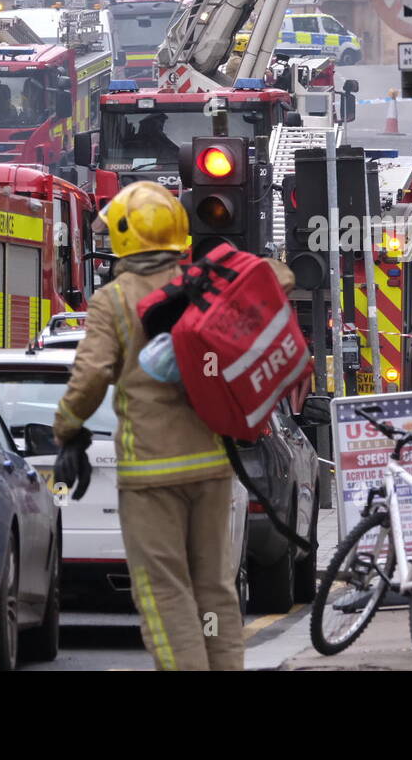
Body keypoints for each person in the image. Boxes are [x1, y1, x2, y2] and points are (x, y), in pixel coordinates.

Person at [52, 182, 293, 670]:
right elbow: (279, 276)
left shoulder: (114, 299)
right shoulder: (204, 282)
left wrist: (67, 431)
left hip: (151, 471)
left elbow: (92, 375)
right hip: (212, 464)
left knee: (165, 591)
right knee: (215, 588)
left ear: (123, 237)